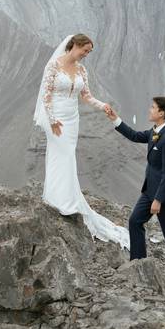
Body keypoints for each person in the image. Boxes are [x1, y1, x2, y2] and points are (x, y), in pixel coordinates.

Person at [32, 33, 129, 249]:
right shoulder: (54, 66)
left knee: (67, 157)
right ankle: (59, 201)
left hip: (72, 118)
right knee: (61, 155)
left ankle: (63, 198)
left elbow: (85, 95)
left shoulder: (81, 70)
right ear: (74, 45)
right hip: (55, 117)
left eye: (88, 52)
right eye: (85, 50)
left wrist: (102, 105)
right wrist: (52, 120)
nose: (86, 55)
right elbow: (45, 96)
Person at [105, 97, 165, 290]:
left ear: (162, 113)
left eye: (153, 108)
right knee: (135, 221)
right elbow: (134, 136)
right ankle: (139, 263)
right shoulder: (156, 131)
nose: (149, 110)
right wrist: (115, 119)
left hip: (164, 195)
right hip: (149, 189)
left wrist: (158, 200)